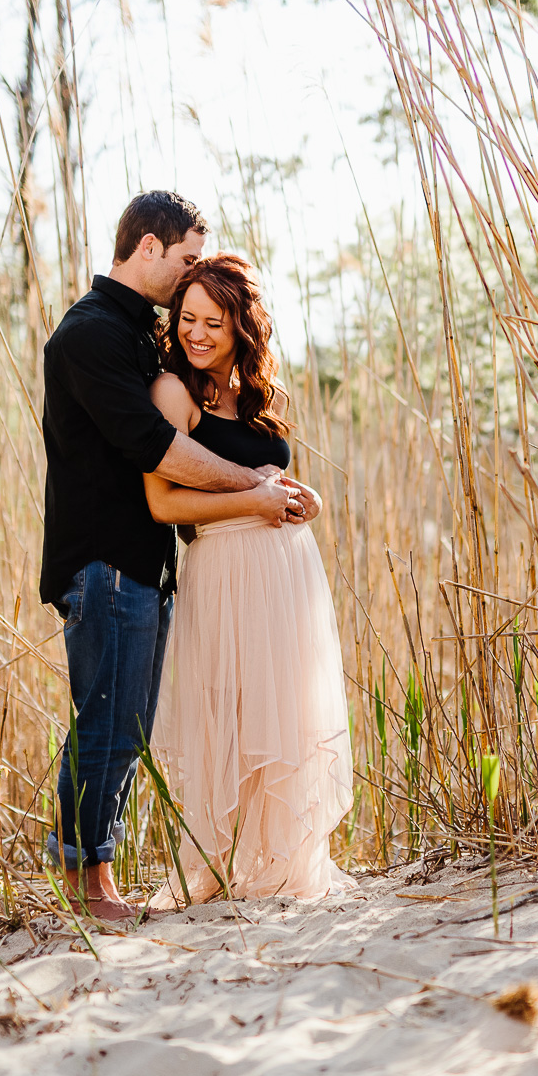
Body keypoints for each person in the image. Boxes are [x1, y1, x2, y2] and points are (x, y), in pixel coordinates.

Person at [39, 192, 309, 922]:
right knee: (106, 718)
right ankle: (83, 885)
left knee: (125, 725)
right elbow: (157, 451)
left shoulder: (136, 335)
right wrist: (257, 486)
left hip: (144, 567)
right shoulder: (88, 336)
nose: (192, 276)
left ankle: (97, 878)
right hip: (106, 562)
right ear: (149, 249)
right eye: (187, 259)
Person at [142, 253, 354, 906]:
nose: (196, 334)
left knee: (285, 705)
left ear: (242, 327)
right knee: (225, 710)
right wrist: (252, 504)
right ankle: (215, 864)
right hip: (222, 568)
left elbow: (271, 479)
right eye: (187, 319)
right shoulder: (174, 393)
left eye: (213, 322)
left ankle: (283, 861)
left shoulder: (263, 394)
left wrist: (305, 499)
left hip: (287, 569)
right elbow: (164, 504)